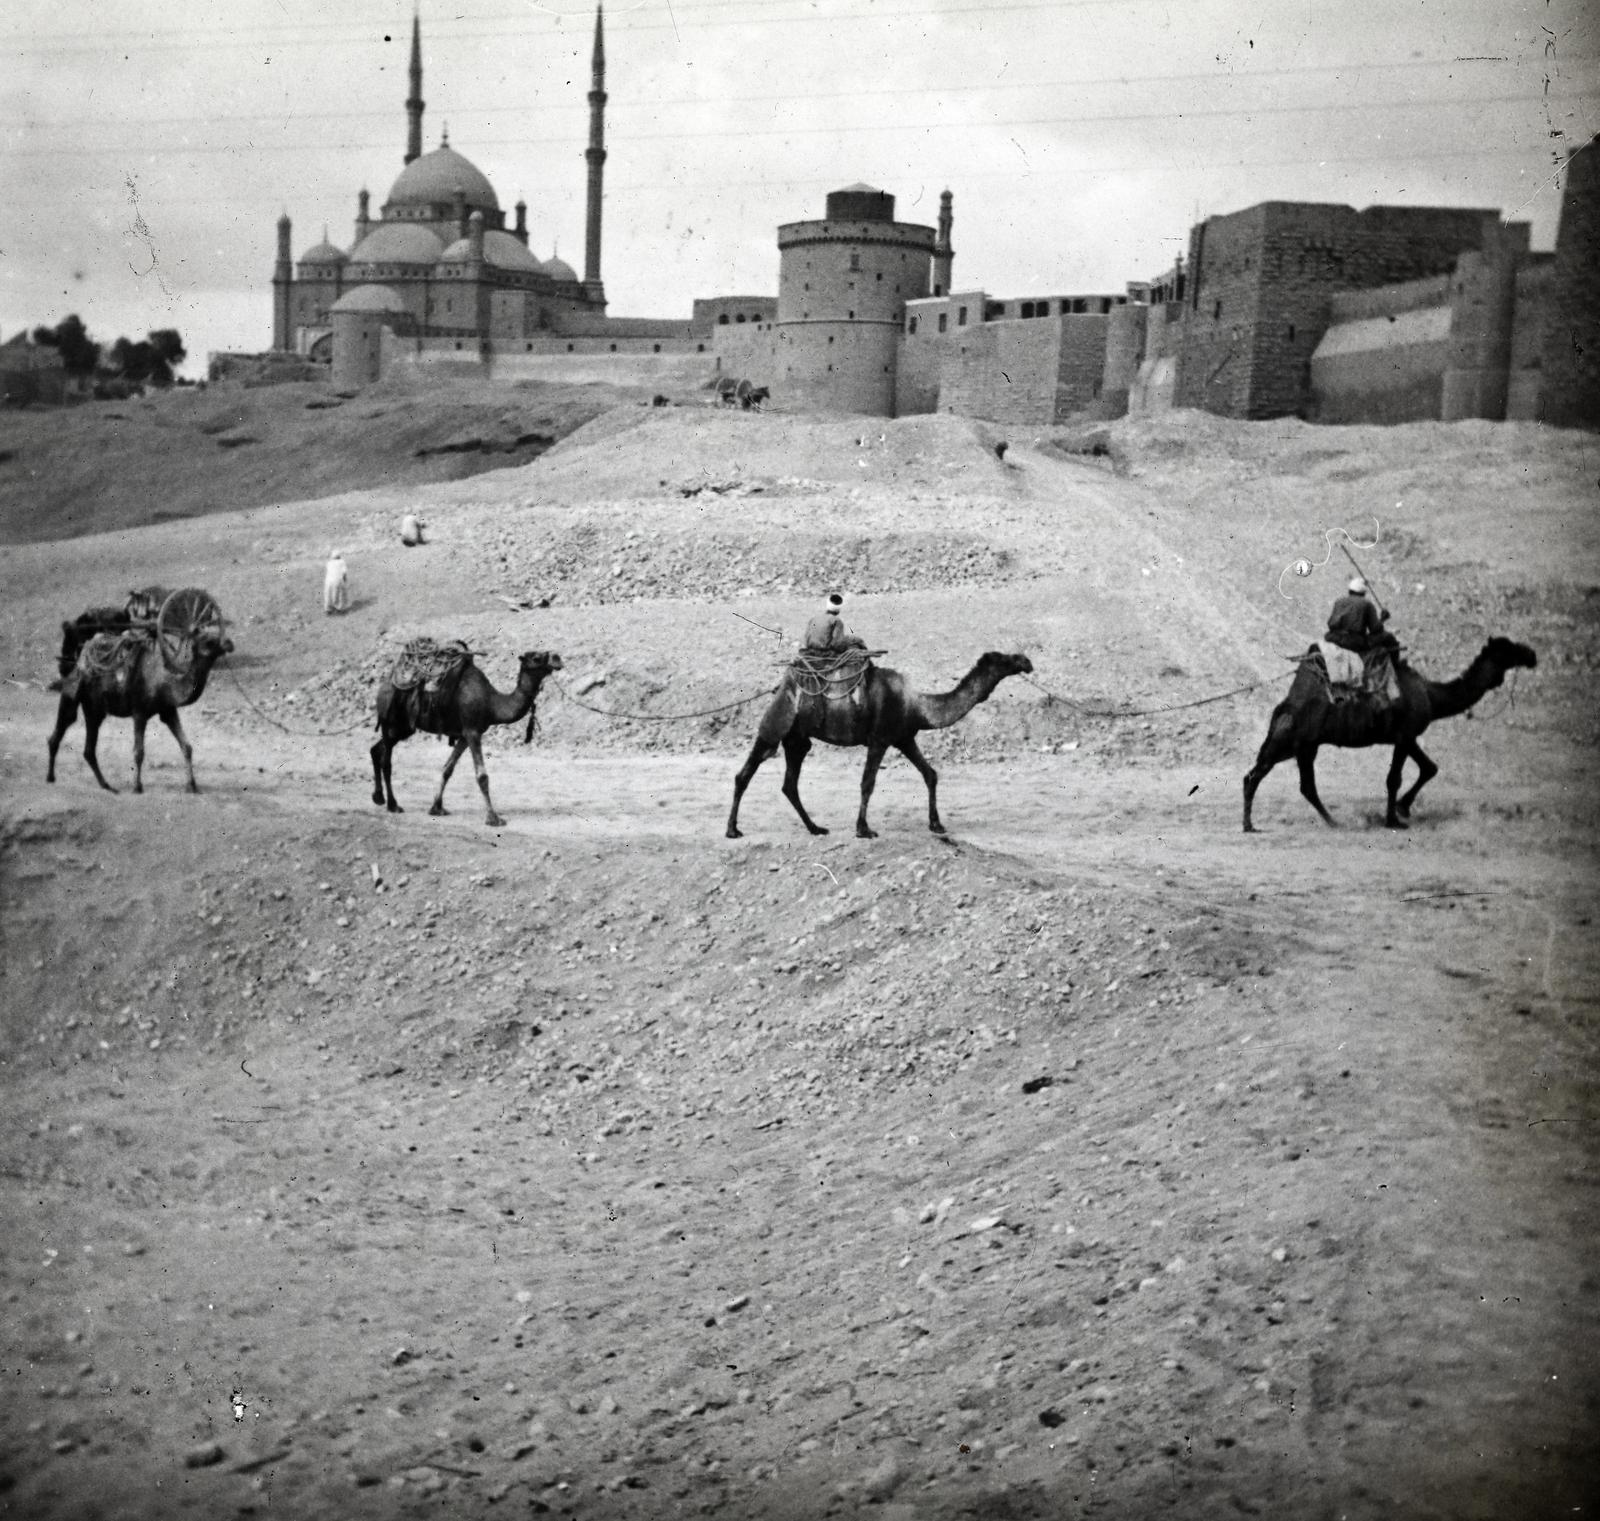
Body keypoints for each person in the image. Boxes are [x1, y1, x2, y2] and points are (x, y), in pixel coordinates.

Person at [1324, 577, 1393, 656]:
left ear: (1350, 591)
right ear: (1363, 593)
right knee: (1388, 637)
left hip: (1333, 638)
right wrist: (1382, 619)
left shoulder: (1339, 602)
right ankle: (1397, 666)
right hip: (1352, 642)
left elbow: (1330, 623)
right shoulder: (1367, 604)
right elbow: (1375, 629)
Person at [802, 592, 868, 654]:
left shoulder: (814, 619)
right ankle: (867, 663)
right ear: (839, 609)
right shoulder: (836, 620)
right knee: (857, 640)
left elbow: (806, 638)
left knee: (850, 639)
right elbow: (837, 644)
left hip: (811, 648)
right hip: (825, 651)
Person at [324, 550, 349, 615]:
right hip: (337, 580)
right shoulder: (342, 562)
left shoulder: (329, 563)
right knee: (340, 593)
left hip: (328, 581)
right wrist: (345, 580)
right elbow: (344, 573)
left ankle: (328, 609)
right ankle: (340, 609)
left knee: (328, 594)